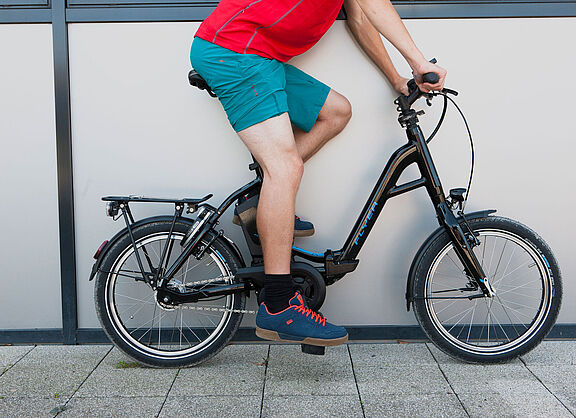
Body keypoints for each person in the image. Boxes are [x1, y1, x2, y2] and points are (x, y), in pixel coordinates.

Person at [190, 0, 447, 347]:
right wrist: (418, 62)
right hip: (237, 52)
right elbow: (373, 3)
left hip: (261, 57)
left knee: (336, 112)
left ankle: (260, 201)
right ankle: (279, 305)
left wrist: (396, 78)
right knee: (285, 168)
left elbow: (360, 15)